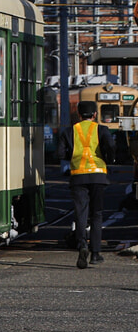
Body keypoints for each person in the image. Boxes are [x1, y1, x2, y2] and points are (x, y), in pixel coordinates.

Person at [58, 99, 115, 269]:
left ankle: (82, 245)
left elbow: (60, 153)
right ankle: (96, 253)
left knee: (80, 213)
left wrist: (72, 158)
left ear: (79, 114)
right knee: (96, 214)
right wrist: (108, 157)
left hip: (78, 177)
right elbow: (111, 146)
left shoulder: (69, 131)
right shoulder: (102, 129)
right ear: (95, 114)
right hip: (98, 176)